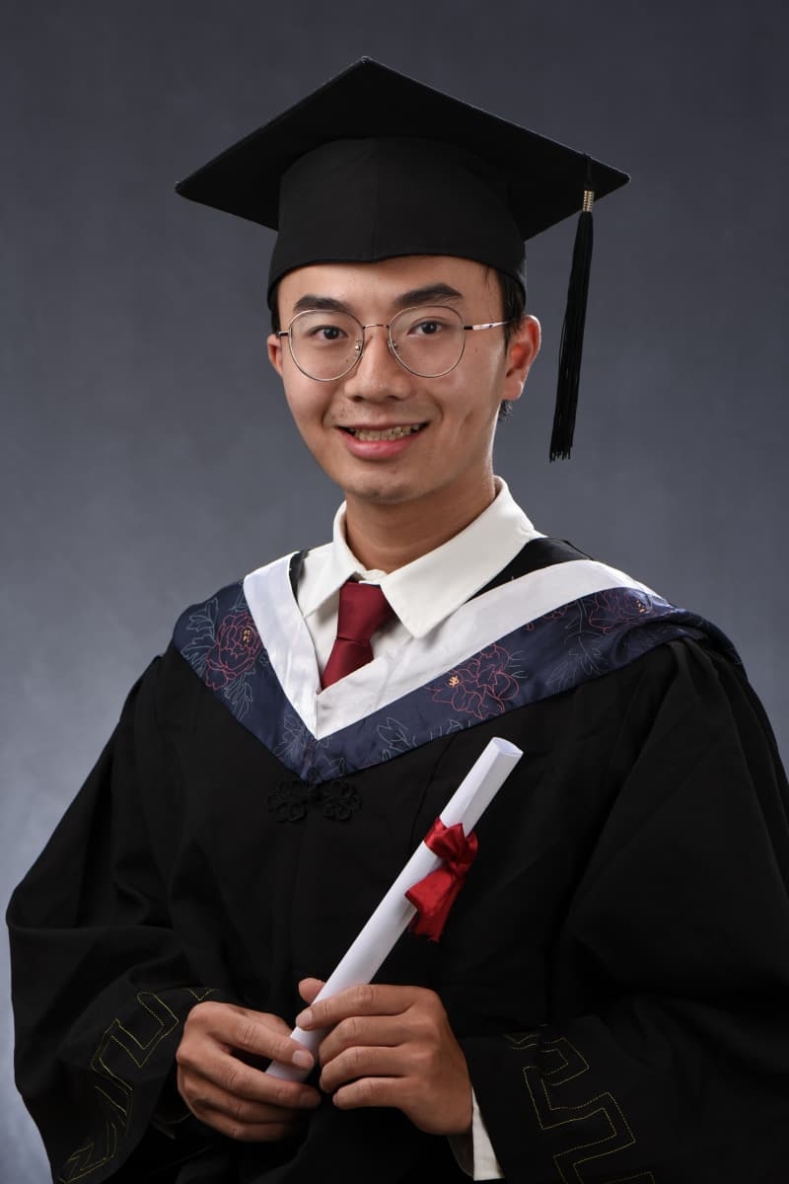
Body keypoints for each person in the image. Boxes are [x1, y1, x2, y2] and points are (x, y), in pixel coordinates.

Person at [8, 59, 789, 1184]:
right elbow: (81, 943)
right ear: (279, 359)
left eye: (429, 325)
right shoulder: (215, 662)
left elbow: (746, 1041)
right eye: (326, 331)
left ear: (515, 355)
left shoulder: (636, 676)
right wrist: (172, 1046)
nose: (373, 380)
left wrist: (487, 1092)